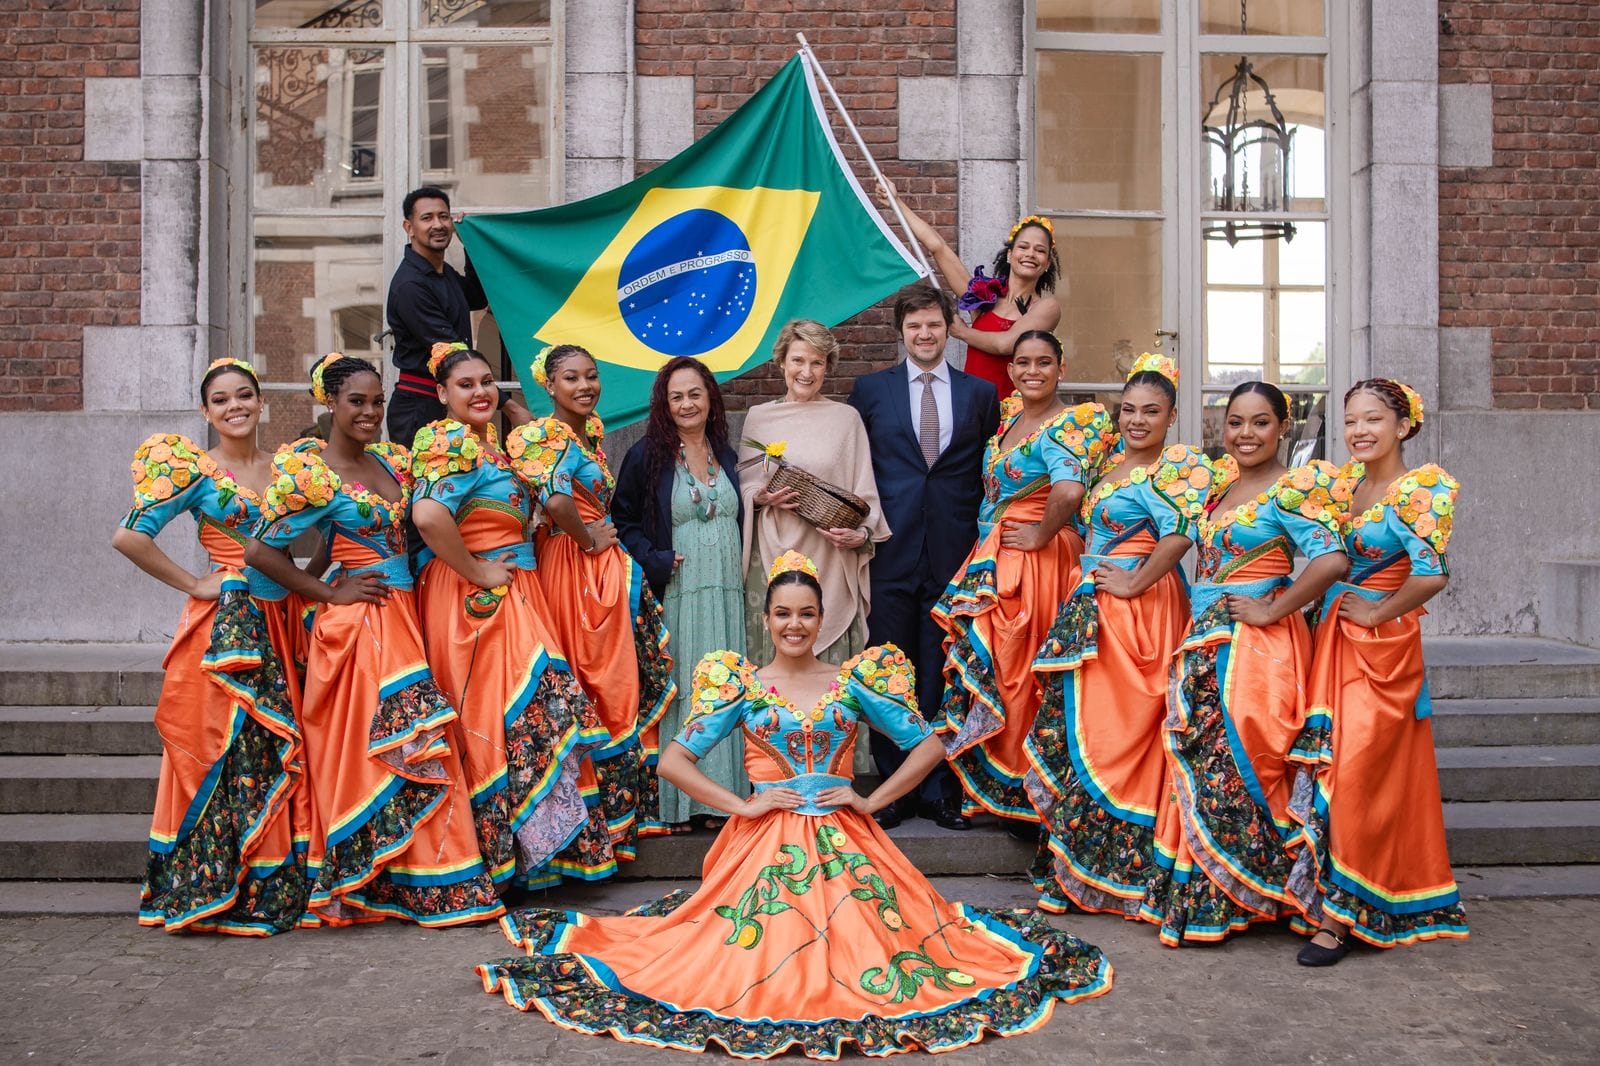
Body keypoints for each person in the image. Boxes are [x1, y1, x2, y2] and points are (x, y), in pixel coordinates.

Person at [474, 551, 1114, 1057]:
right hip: (765, 839)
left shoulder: (856, 679)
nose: (795, 626)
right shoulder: (742, 683)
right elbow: (671, 761)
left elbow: (928, 748)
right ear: (766, 617)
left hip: (848, 837)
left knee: (886, 948)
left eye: (807, 613)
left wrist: (869, 799)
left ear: (823, 616)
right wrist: (742, 807)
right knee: (741, 949)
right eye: (783, 614)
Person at [245, 352, 502, 927]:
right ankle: (404, 877)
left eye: (377, 401)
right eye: (356, 401)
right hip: (364, 622)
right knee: (398, 742)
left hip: (406, 610)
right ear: (329, 404)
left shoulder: (392, 460)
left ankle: (405, 879)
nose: (368, 412)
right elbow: (260, 551)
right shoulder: (313, 474)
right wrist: (326, 593)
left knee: (399, 743)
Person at [1138, 381, 1349, 946]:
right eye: (1235, 422)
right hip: (1204, 639)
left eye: (1259, 423)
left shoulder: (1291, 491)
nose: (1245, 434)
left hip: (1256, 649)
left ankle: (1272, 891)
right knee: (1203, 763)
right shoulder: (1220, 484)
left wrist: (1273, 606)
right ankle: (1218, 899)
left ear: (1283, 427)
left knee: (1251, 757)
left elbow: (1330, 558)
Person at [113, 358, 308, 934]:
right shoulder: (196, 472)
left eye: (244, 395)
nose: (235, 407)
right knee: (226, 750)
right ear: (206, 412)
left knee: (274, 752)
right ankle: (214, 887)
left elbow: (309, 545)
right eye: (221, 400)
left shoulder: (290, 469)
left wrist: (325, 587)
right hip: (227, 629)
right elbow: (129, 536)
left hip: (286, 620)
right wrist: (197, 581)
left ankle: (269, 880)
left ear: (261, 401)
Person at [409, 342, 608, 890]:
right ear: (443, 395)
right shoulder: (451, 444)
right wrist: (475, 571)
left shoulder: (491, 448)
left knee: (526, 715)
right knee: (504, 717)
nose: (480, 393)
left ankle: (527, 857)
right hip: (476, 602)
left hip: (518, 591)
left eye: (486, 382)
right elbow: (427, 515)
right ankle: (503, 860)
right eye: (466, 385)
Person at [1288, 379, 1467, 966]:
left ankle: (1342, 920)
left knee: (1361, 772)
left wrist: (1376, 609)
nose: (1359, 431)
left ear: (1403, 425)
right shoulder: (1347, 486)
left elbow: (1432, 573)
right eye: (1350, 421)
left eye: (1372, 420)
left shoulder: (1421, 488)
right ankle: (1332, 899)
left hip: (1383, 647)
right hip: (1333, 638)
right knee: (1336, 765)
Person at [1027, 353, 1207, 915]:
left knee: (1121, 733)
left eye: (1150, 412)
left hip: (1138, 612)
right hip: (1097, 605)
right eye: (1128, 409)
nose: (1137, 420)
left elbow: (1180, 533)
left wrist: (1134, 582)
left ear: (1171, 416)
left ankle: (1125, 870)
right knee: (1089, 731)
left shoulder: (1172, 467)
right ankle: (1086, 867)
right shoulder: (1111, 461)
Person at [934, 331, 1113, 829]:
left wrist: (1041, 534)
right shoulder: (1013, 418)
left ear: (1062, 366)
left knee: (1019, 672)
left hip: (1033, 563)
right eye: (1023, 363)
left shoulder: (1065, 424)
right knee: (1001, 670)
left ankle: (1024, 792)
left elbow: (1071, 488)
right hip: (998, 557)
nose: (1032, 371)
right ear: (1010, 370)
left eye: (1044, 362)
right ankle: (997, 788)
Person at [506, 343, 677, 862]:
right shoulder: (546, 436)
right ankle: (589, 828)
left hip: (595, 569)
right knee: (595, 679)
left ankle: (615, 820)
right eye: (572, 379)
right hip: (572, 569)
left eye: (592, 376)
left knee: (610, 681)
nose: (585, 386)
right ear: (549, 387)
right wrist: (586, 540)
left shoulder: (590, 431)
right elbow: (556, 500)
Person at [847, 286, 999, 831]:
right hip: (889, 549)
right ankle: (892, 790)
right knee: (888, 669)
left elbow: (987, 477)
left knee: (942, 671)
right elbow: (855, 466)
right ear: (901, 333)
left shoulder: (980, 395)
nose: (926, 334)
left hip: (955, 552)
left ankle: (939, 789)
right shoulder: (870, 391)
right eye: (915, 327)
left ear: (948, 328)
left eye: (934, 325)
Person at [613, 356, 748, 832]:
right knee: (688, 689)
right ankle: (681, 803)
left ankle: (724, 797)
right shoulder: (646, 456)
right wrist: (654, 557)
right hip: (680, 592)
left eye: (695, 393)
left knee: (729, 689)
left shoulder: (728, 454)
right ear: (664, 404)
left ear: (710, 398)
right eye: (677, 396)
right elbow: (621, 520)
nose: (687, 403)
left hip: (729, 593)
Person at [739, 319, 890, 673]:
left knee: (831, 669)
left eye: (817, 362)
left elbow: (864, 493)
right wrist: (760, 497)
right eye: (798, 361)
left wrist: (861, 534)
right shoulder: (758, 417)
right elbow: (744, 484)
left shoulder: (846, 419)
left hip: (830, 561)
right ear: (781, 362)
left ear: (828, 366)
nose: (806, 372)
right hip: (772, 557)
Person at [876, 179, 1062, 395]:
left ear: (1048, 263)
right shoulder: (983, 297)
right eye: (1023, 247)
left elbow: (1006, 344)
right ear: (1010, 255)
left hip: (1014, 414)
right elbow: (938, 247)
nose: (1030, 254)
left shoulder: (1046, 307)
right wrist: (897, 202)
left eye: (1040, 250)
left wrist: (963, 332)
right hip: (973, 408)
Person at [385, 186, 534, 446]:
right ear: (408, 227)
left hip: (452, 399)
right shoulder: (411, 285)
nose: (438, 225)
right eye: (427, 218)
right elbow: (453, 356)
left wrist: (471, 246)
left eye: (444, 217)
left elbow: (476, 297)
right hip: (421, 408)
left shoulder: (443, 272)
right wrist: (511, 407)